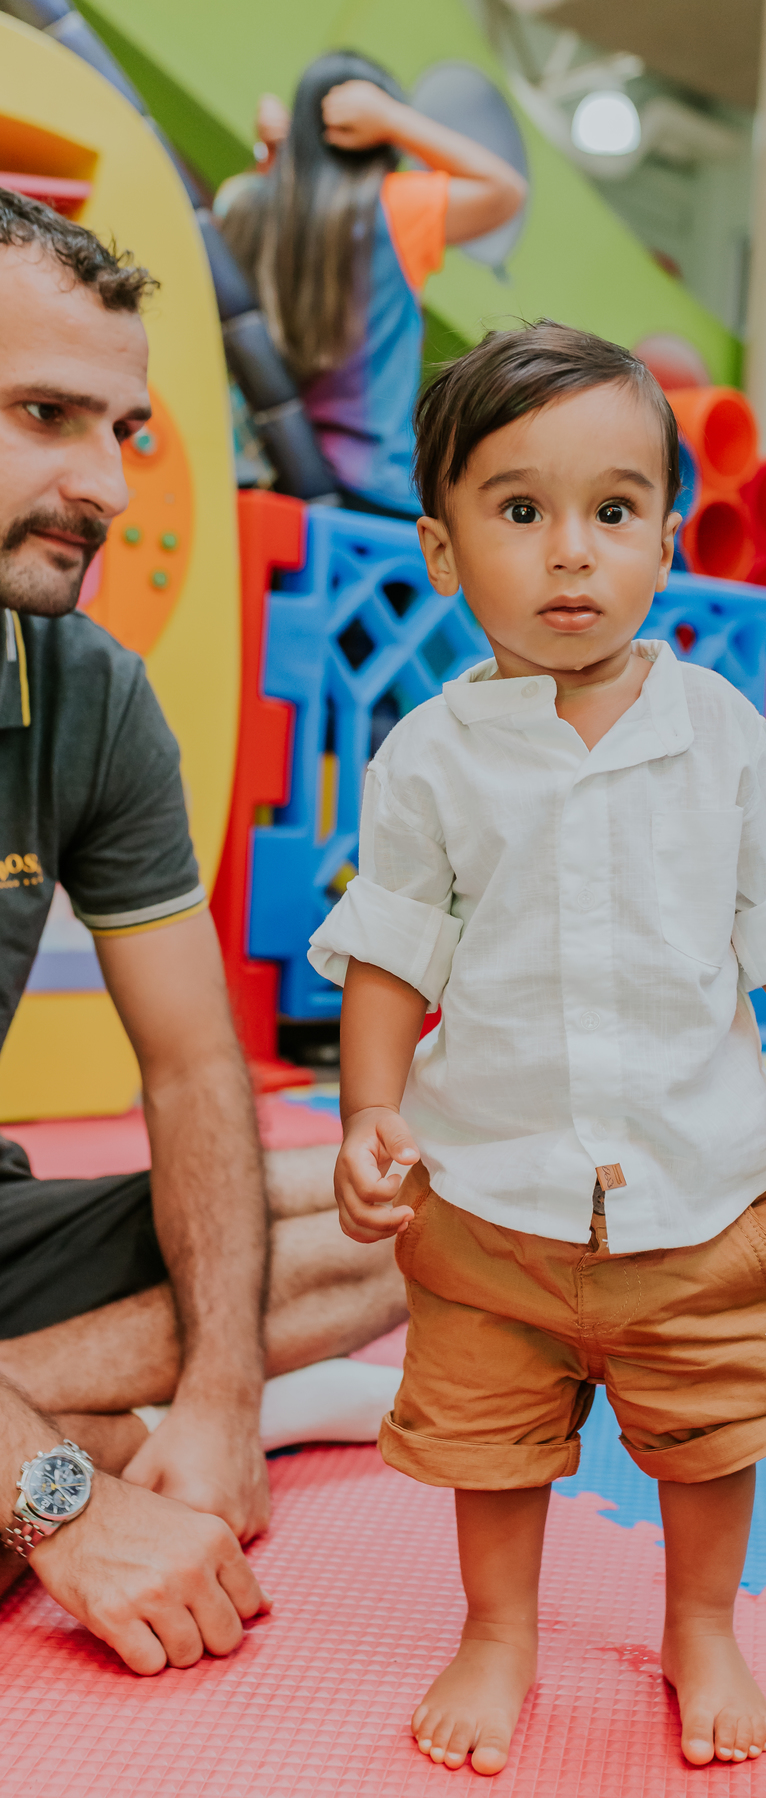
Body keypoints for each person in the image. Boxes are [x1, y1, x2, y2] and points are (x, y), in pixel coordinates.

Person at [310, 323, 766, 1775]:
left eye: (613, 511)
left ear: (666, 539)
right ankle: (499, 1628)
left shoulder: (720, 730)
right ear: (443, 552)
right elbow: (392, 945)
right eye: (521, 512)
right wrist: (368, 1109)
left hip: (699, 1185)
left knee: (711, 1432)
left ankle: (702, 1620)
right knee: (486, 1437)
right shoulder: (429, 756)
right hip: (494, 1192)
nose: (573, 554)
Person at [0, 193, 406, 1656]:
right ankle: (105, 1435)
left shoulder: (85, 689)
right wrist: (65, 1505)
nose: (105, 481)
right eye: (46, 412)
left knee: (418, 1228)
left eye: (126, 429)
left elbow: (189, 1066)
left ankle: (192, 1412)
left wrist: (228, 1400)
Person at [219, 50, 527, 518]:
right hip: (370, 489)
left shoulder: (245, 203)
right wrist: (397, 118)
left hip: (265, 476)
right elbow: (506, 190)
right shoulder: (396, 209)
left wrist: (276, 156)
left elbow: (260, 203)